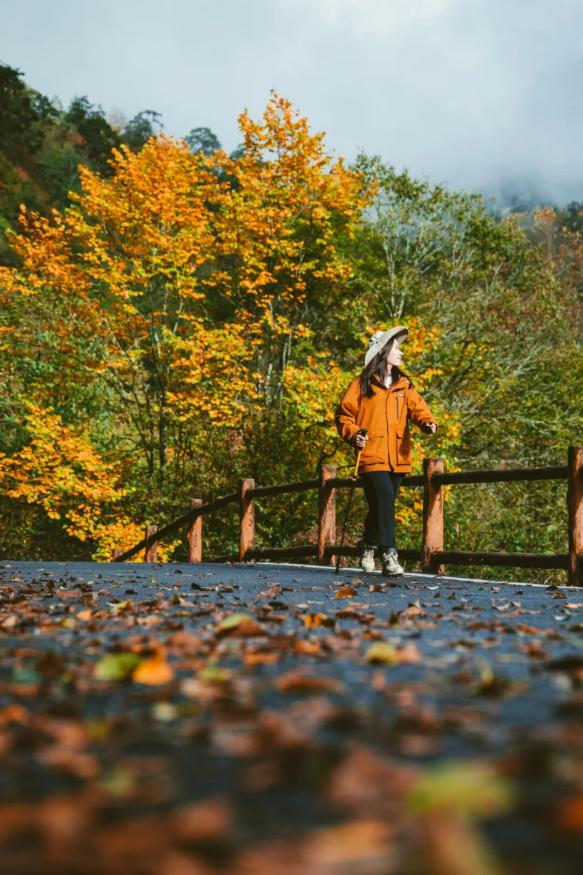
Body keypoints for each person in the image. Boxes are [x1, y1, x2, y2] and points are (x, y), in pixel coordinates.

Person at [334, 326, 438, 576]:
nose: (401, 352)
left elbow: (418, 409)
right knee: (385, 503)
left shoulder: (404, 384)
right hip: (371, 454)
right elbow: (344, 416)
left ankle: (369, 545)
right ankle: (390, 556)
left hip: (398, 456)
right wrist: (354, 434)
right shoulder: (361, 384)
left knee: (382, 505)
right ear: (383, 352)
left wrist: (428, 422)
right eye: (396, 348)